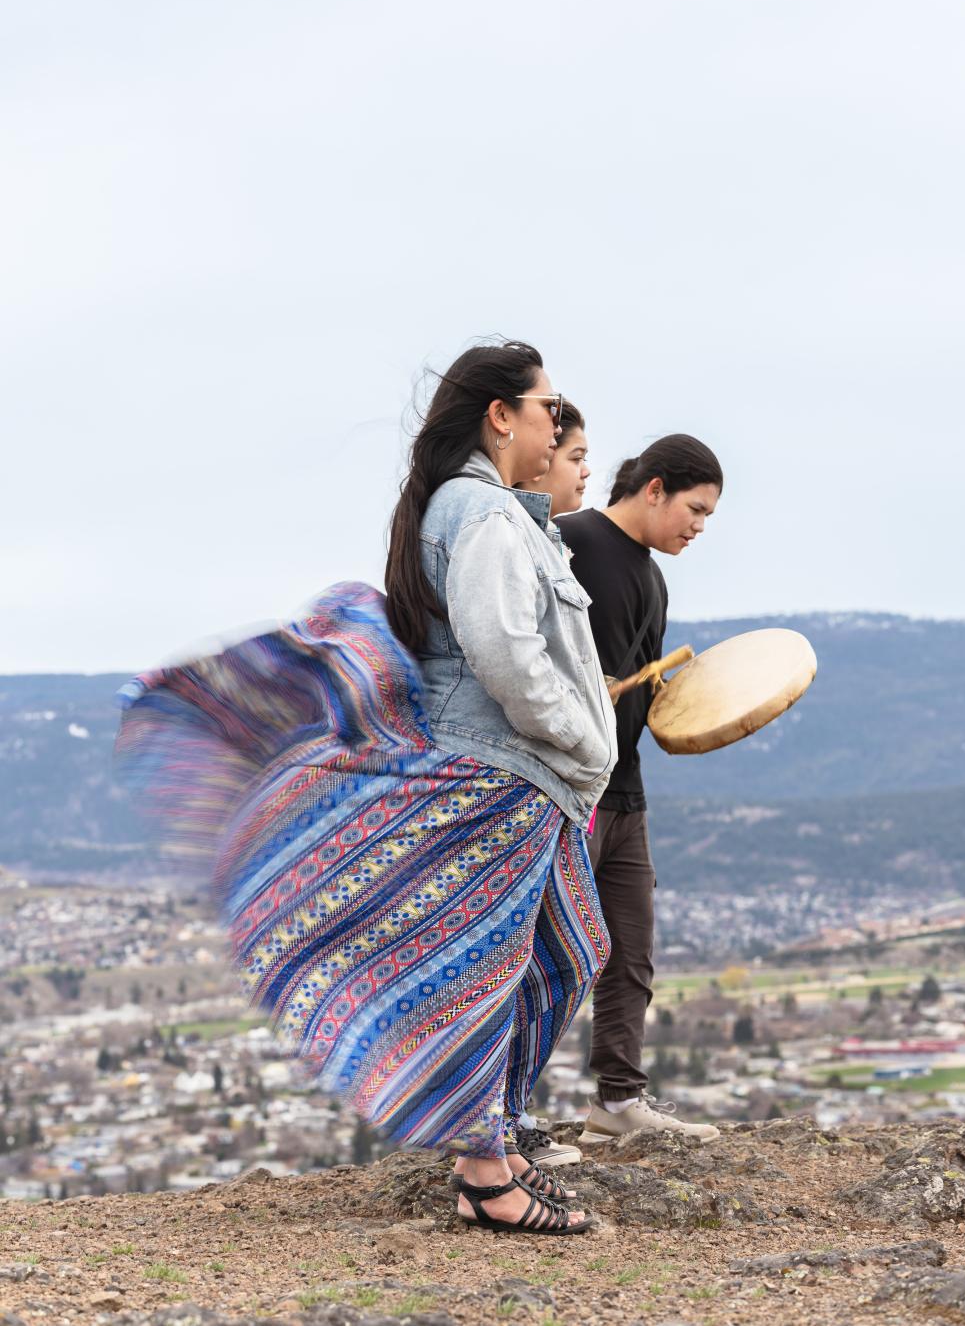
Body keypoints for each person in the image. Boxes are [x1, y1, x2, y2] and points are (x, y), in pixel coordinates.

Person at [116, 341, 616, 1237]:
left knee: (563, 949)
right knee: (490, 973)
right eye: (549, 404)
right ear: (503, 414)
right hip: (500, 775)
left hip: (526, 778)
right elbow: (504, 652)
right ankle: (484, 1172)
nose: (558, 419)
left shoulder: (490, 512)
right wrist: (584, 739)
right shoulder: (486, 517)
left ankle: (492, 1141)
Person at [555, 434, 724, 1148]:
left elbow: (644, 701)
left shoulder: (654, 579)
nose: (699, 526)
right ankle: (495, 1117)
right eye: (695, 507)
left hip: (626, 795)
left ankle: (618, 1103)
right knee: (545, 960)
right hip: (564, 795)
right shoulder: (567, 540)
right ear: (654, 487)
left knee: (631, 956)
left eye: (709, 516)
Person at [521, 400, 591, 516]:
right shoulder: (502, 527)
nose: (586, 472)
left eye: (584, 459)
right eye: (577, 458)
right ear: (538, 458)